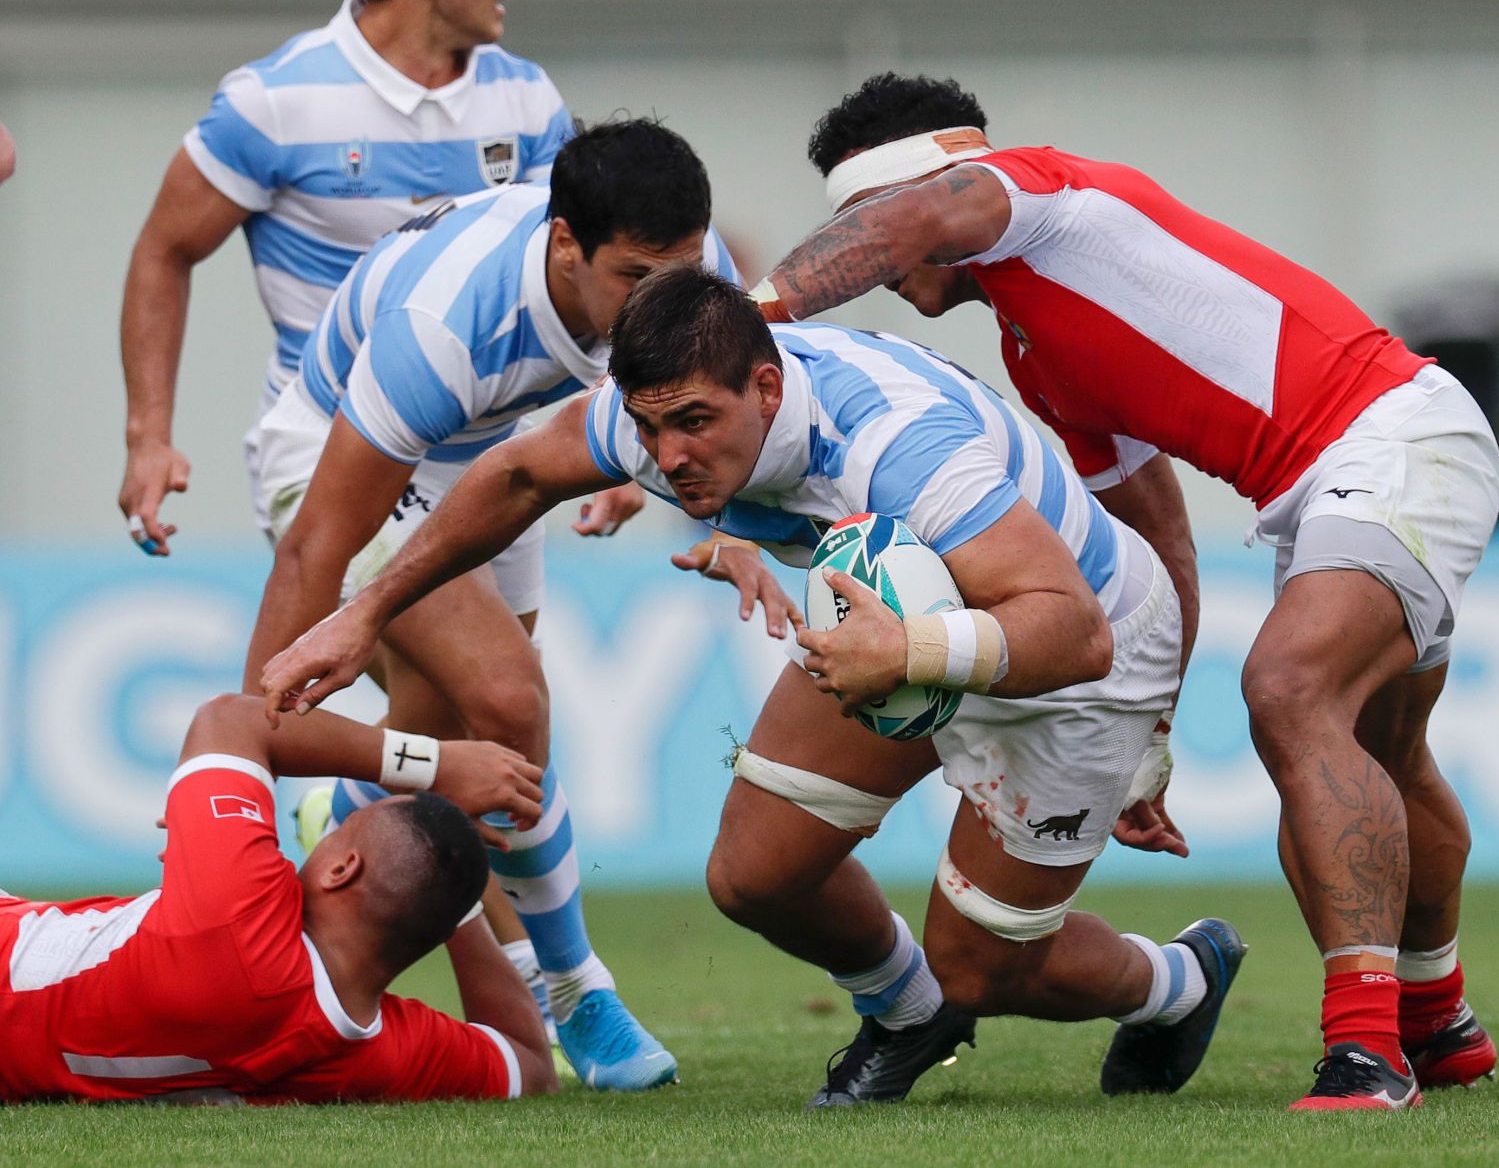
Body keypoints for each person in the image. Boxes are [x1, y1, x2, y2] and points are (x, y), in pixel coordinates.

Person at [258, 267, 1248, 1109]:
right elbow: (517, 477)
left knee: (985, 967)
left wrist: (906, 653)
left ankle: (1178, 980)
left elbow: (1068, 629)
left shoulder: (895, 448)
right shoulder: (650, 415)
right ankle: (909, 1015)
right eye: (651, 431)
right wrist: (365, 612)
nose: (672, 458)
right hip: (900, 611)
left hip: (1082, 653)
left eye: (696, 423)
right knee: (754, 877)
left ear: (767, 389)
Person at [747, 73, 1499, 1109]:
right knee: (1383, 751)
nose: (867, 262)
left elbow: (918, 214)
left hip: (1394, 437)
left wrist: (750, 317)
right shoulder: (1037, 352)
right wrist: (1148, 732)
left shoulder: (1036, 196)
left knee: (1290, 689)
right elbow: (1159, 541)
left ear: (932, 191)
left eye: (865, 227)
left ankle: (1364, 1054)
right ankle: (1436, 1023)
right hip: (1320, 487)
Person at [243, 119, 741, 1092]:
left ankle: (338, 810)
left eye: (675, 277)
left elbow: (730, 399)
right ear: (565, 248)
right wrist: (229, 772)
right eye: (635, 280)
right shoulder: (443, 328)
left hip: (498, 459)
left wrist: (641, 456)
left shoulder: (684, 275)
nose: (664, 307)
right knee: (511, 704)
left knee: (438, 730)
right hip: (338, 449)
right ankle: (572, 988)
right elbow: (318, 539)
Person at [118, 0, 580, 556]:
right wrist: (148, 438)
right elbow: (164, 251)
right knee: (482, 651)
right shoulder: (274, 100)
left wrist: (615, 422)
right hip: (333, 438)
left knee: (502, 650)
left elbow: (581, 268)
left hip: (485, 452)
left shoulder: (527, 96)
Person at [0, 692, 556, 1104]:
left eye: (337, 829)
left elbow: (231, 719)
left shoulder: (240, 918)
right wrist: (457, 899)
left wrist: (435, 765)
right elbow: (531, 1065)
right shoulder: (371, 1056)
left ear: (341, 868)